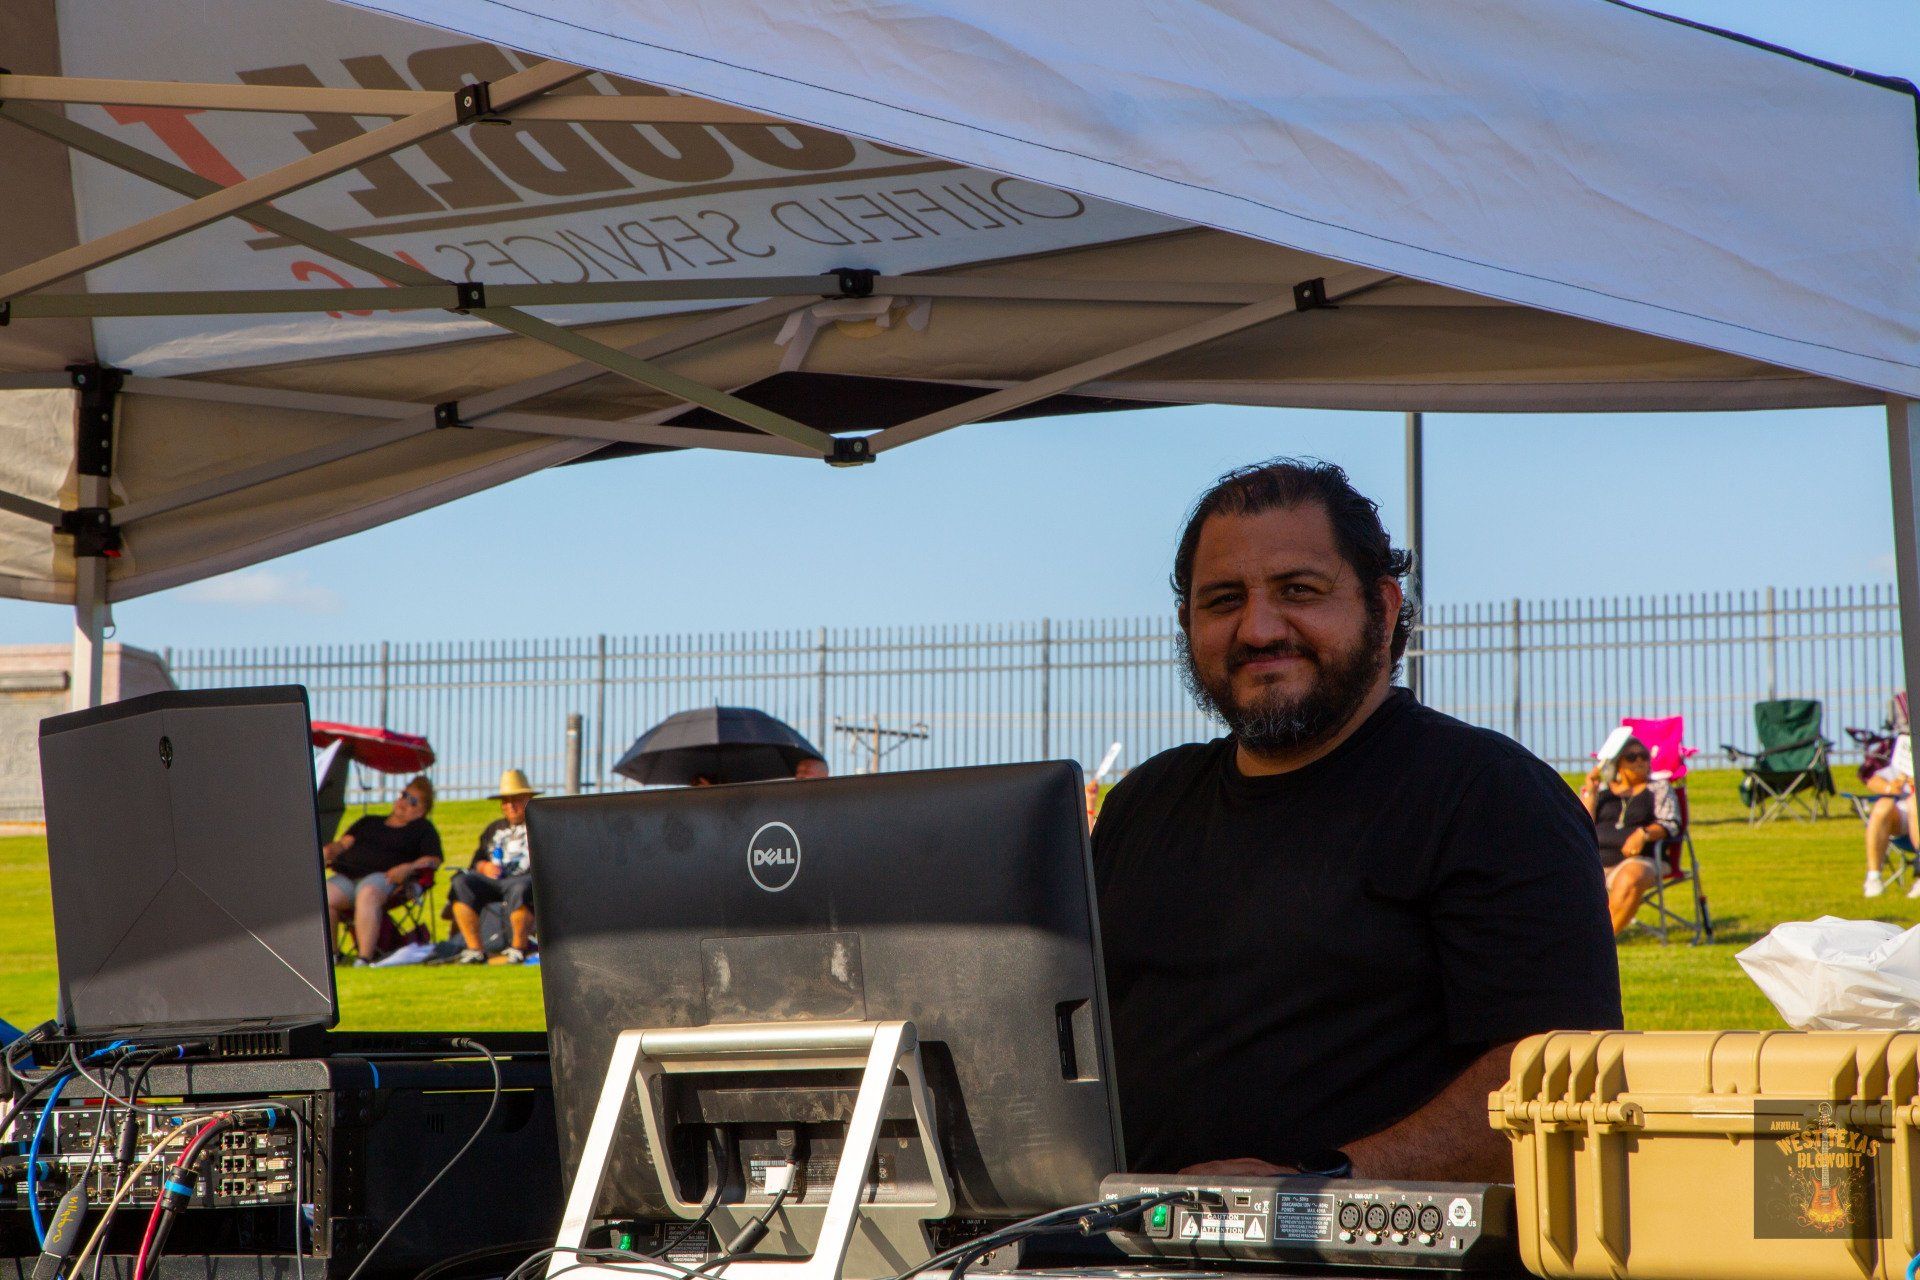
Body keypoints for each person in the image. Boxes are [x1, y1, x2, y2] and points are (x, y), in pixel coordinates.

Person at [1093, 458, 1621, 1183]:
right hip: (1112, 1233)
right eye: (1223, 600)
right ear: (1187, 623)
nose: (1258, 628)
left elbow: (1558, 1075)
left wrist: (1319, 1187)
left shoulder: (1489, 796)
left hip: (1356, 1240)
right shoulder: (1144, 803)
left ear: (1384, 606)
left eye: (1298, 591)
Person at [323, 775, 442, 965]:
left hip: (386, 878)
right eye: (404, 795)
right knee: (324, 895)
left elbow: (433, 860)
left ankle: (364, 959)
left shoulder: (423, 829)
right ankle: (331, 956)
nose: (404, 802)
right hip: (348, 875)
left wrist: (409, 867)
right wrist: (329, 850)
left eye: (412, 801)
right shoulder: (369, 821)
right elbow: (344, 844)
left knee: (367, 894)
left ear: (421, 811)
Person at [1577, 737, 1681, 934]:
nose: (1639, 760)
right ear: (1618, 763)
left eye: (1644, 756)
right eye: (1631, 757)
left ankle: (1601, 939)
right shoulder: (1603, 792)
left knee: (1632, 876)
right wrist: (1591, 791)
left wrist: (1643, 834)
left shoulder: (1658, 788)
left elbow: (1671, 823)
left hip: (1641, 859)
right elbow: (1580, 825)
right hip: (1595, 862)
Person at [448, 768, 541, 964]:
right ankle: (475, 950)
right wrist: (484, 867)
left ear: (529, 799)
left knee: (521, 888)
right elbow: (476, 861)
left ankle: (518, 948)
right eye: (505, 801)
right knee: (461, 883)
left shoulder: (541, 825)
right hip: (494, 881)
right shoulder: (494, 828)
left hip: (526, 880)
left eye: (516, 800)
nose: (510, 806)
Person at [1863, 733, 1917, 897]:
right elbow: (1872, 780)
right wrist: (1889, 787)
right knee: (1882, 806)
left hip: (1914, 807)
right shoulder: (1901, 755)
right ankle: (1874, 878)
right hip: (1901, 815)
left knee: (1915, 802)